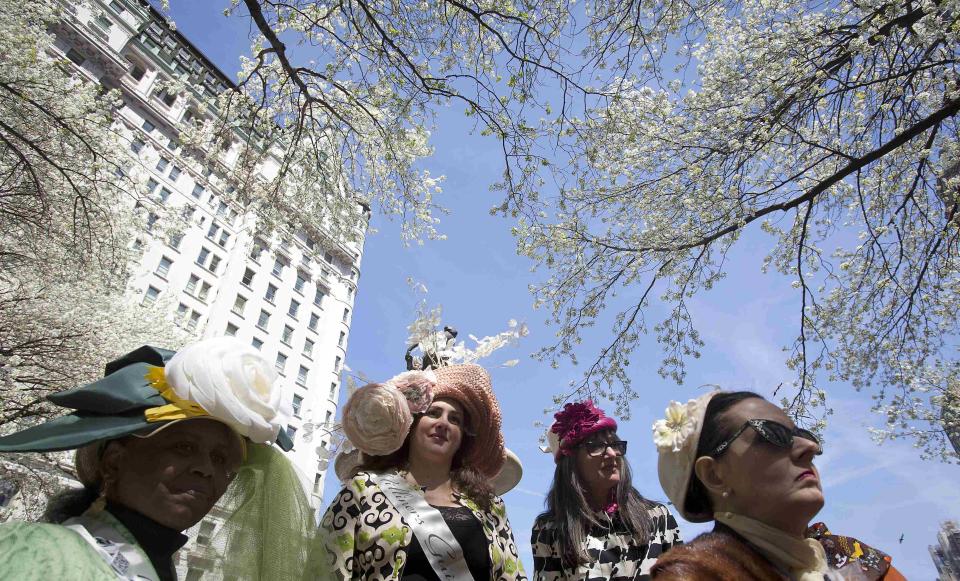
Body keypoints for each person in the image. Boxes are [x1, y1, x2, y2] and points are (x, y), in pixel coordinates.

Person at [0, 337, 317, 581]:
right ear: (113, 461)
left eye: (221, 459)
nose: (206, 469)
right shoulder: (30, 549)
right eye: (183, 447)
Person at [649, 390, 907, 580]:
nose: (810, 448)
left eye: (803, 434)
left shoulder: (850, 556)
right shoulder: (696, 575)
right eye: (771, 434)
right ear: (714, 475)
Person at [317, 364, 527, 580]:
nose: (443, 423)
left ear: (463, 438)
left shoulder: (489, 506)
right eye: (434, 413)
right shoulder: (364, 490)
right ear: (411, 425)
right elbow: (323, 569)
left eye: (455, 419)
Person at [531, 400, 682, 580]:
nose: (611, 454)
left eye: (614, 444)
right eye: (595, 445)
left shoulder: (659, 518)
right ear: (571, 463)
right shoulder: (549, 531)